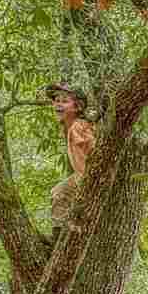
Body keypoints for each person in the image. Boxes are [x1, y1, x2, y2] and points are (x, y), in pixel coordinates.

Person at [47, 83, 96, 224]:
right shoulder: (71, 127)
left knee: (60, 192)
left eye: (64, 101)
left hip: (88, 175)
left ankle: (61, 228)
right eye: (56, 101)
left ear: (77, 107)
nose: (58, 104)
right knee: (58, 191)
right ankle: (63, 226)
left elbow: (94, 148)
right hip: (82, 175)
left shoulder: (77, 126)